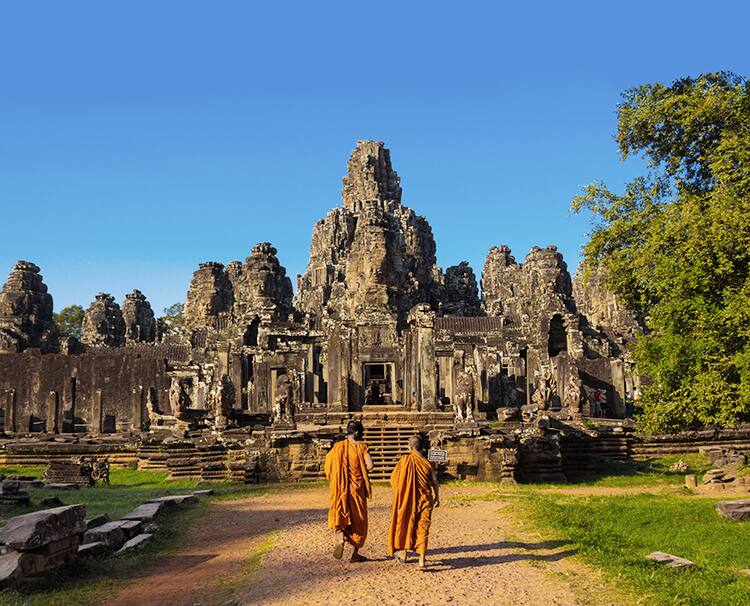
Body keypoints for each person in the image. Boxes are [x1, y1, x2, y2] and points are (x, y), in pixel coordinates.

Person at [387, 434, 440, 569]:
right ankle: (421, 559)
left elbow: (393, 480)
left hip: (408, 499)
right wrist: (437, 497)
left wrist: (401, 493)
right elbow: (434, 481)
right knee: (423, 527)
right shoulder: (427, 463)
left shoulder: (404, 461)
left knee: (406, 522)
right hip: (425, 499)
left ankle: (404, 554)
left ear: (409, 446)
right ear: (423, 447)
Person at [324, 419, 374, 562]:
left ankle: (341, 539)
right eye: (362, 432)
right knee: (359, 520)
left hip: (341, 488)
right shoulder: (361, 447)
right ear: (357, 432)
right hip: (356, 489)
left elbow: (328, 467)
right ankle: (355, 554)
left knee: (341, 511)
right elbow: (370, 466)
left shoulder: (337, 447)